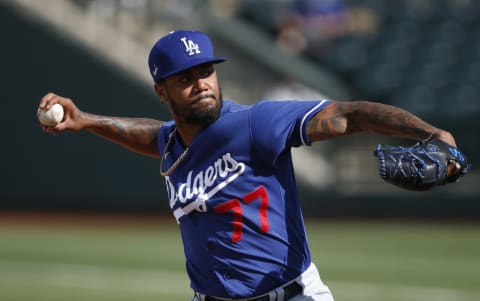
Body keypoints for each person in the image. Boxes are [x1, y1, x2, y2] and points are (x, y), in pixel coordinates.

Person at [38, 30, 457, 301]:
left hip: (292, 295)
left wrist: (435, 135)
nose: (201, 83)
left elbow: (351, 114)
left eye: (206, 72)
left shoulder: (256, 123)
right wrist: (87, 120)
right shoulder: (173, 143)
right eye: (185, 78)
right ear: (161, 91)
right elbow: (151, 134)